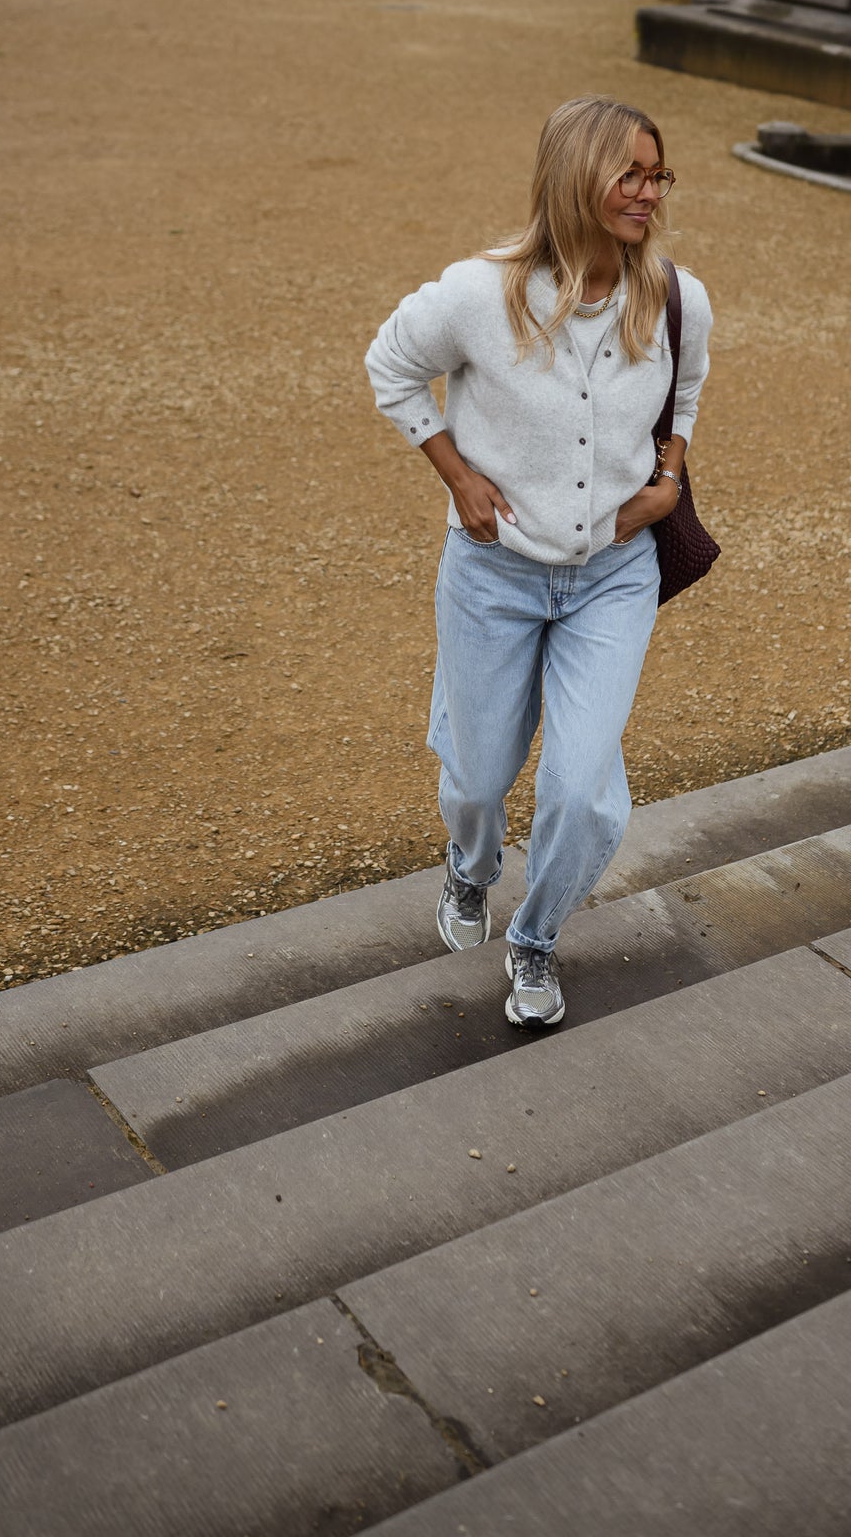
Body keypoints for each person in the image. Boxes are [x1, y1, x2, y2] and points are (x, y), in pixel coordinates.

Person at [365, 96, 712, 1029]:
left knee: (582, 791)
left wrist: (669, 479)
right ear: (574, 179)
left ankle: (536, 937)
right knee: (477, 779)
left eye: (656, 174)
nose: (648, 193)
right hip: (493, 572)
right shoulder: (478, 295)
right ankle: (470, 866)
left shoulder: (676, 296)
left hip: (614, 572)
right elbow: (389, 366)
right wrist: (456, 476)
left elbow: (686, 387)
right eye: (628, 175)